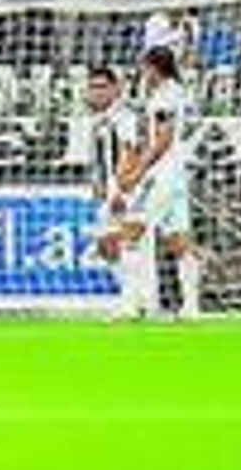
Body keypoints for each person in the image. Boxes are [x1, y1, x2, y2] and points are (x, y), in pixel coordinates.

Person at [117, 47, 203, 319]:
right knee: (179, 240)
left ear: (155, 68)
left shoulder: (166, 95)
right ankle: (191, 307)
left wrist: (137, 172)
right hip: (178, 173)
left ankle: (131, 306)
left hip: (162, 174)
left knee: (131, 230)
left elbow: (163, 140)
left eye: (145, 68)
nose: (143, 73)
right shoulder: (176, 91)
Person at [85, 65, 153, 321]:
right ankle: (138, 298)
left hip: (126, 189)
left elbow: (129, 152)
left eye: (102, 87)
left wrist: (119, 189)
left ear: (116, 89)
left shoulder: (124, 116)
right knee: (106, 246)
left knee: (125, 241)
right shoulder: (99, 119)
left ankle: (131, 303)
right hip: (108, 189)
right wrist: (98, 187)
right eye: (93, 87)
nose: (96, 92)